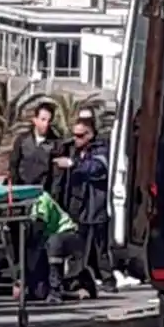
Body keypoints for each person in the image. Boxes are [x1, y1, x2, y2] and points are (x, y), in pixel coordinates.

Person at [53, 118, 112, 295]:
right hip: (77, 205)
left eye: (80, 135)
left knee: (99, 246)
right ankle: (76, 280)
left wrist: (73, 164)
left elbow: (97, 169)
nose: (76, 139)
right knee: (76, 247)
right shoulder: (73, 149)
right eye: (74, 135)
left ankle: (108, 278)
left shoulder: (101, 150)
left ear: (90, 134)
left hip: (95, 205)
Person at [9, 102, 59, 192]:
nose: (46, 124)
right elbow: (13, 166)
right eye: (43, 119)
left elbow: (55, 175)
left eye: (49, 120)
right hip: (21, 191)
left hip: (42, 193)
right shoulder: (22, 140)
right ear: (35, 120)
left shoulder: (55, 144)